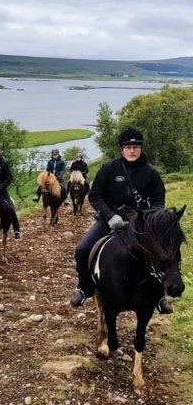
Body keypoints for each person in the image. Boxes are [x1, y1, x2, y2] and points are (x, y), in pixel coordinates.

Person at [69, 127, 172, 314]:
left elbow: (158, 202)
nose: (132, 151)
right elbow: (95, 195)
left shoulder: (151, 173)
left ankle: (159, 296)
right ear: (122, 149)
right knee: (82, 249)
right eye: (128, 147)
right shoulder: (109, 168)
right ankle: (84, 287)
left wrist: (145, 219)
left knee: (159, 252)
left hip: (140, 222)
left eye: (135, 147)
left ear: (140, 148)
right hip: (110, 218)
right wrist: (110, 216)